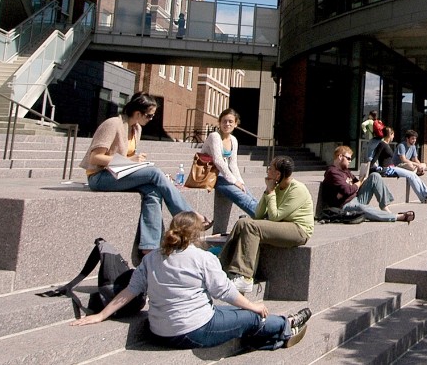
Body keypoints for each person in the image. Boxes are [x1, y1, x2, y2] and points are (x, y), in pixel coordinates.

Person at [71, 211, 312, 351]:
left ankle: (271, 341)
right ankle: (286, 325)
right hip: (194, 331)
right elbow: (225, 291)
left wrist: (101, 315)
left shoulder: (153, 258)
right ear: (196, 234)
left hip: (159, 332)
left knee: (228, 314)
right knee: (250, 316)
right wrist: (254, 305)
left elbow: (131, 290)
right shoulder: (202, 258)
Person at [82, 93, 192, 256]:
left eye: (153, 115)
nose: (151, 118)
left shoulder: (136, 129)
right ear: (137, 113)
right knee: (154, 173)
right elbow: (95, 157)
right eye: (149, 115)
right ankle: (188, 217)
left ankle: (149, 247)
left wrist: (130, 161)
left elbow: (124, 159)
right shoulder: (113, 124)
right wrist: (130, 160)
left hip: (118, 174)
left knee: (153, 191)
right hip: (99, 177)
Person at [217, 156, 314, 294]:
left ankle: (245, 278)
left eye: (270, 168)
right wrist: (267, 191)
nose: (267, 171)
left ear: (278, 174)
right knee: (242, 222)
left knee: (252, 227)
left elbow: (274, 217)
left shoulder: (297, 189)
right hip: (281, 225)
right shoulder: (276, 186)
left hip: (298, 230)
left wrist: (270, 191)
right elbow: (258, 214)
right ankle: (222, 266)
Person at [320, 145, 414, 223]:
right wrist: (357, 184)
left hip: (356, 197)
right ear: (340, 157)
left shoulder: (345, 171)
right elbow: (347, 189)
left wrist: (358, 182)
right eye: (348, 158)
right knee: (362, 208)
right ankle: (398, 217)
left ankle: (385, 207)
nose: (350, 161)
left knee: (375, 176)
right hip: (345, 205)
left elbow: (353, 185)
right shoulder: (332, 172)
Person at [202, 108, 257, 218]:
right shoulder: (215, 136)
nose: (227, 124)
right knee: (241, 197)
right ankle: (262, 216)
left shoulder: (233, 140)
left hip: (222, 175)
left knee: (246, 192)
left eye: (230, 121)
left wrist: (240, 182)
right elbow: (218, 161)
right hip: (209, 175)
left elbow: (233, 164)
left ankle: (264, 213)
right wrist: (233, 181)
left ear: (236, 124)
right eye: (224, 121)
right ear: (220, 123)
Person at [373, 127, 427, 202]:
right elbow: (374, 158)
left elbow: (415, 159)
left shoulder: (385, 145)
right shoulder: (385, 144)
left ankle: (424, 196)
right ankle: (425, 193)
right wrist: (373, 170)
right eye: (392, 135)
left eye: (415, 139)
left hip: (392, 168)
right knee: (411, 174)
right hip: (392, 168)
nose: (393, 137)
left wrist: (420, 166)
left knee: (414, 173)